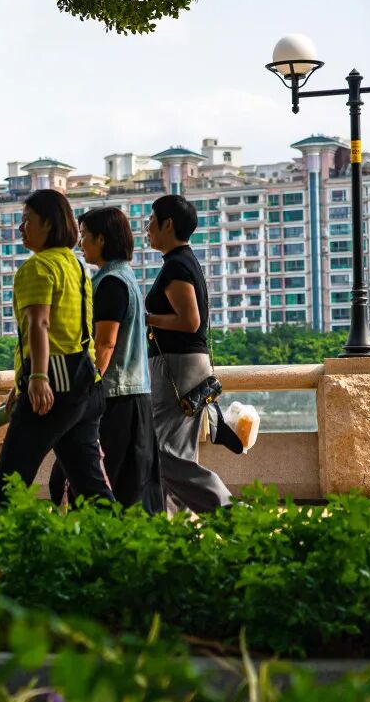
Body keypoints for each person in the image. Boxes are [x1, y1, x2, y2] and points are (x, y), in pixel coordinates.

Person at [0, 189, 116, 513]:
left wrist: (37, 377)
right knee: (91, 485)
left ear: (49, 224)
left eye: (27, 220)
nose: (21, 228)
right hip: (86, 381)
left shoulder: (38, 267)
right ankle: (123, 538)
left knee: (10, 482)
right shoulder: (76, 266)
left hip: (54, 385)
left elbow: (40, 323)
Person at [48, 207, 163, 511]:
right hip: (130, 395)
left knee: (96, 482)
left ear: (101, 239)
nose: (81, 243)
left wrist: (85, 389)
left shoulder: (110, 282)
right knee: (126, 486)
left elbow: (105, 344)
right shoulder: (124, 276)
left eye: (85, 235)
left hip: (114, 398)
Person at [144, 194, 232, 512]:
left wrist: (148, 319)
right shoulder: (182, 262)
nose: (147, 229)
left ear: (168, 224)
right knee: (176, 449)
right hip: (185, 366)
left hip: (178, 367)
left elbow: (190, 322)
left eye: (151, 222)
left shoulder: (177, 266)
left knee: (156, 450)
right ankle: (173, 526)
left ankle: (225, 506)